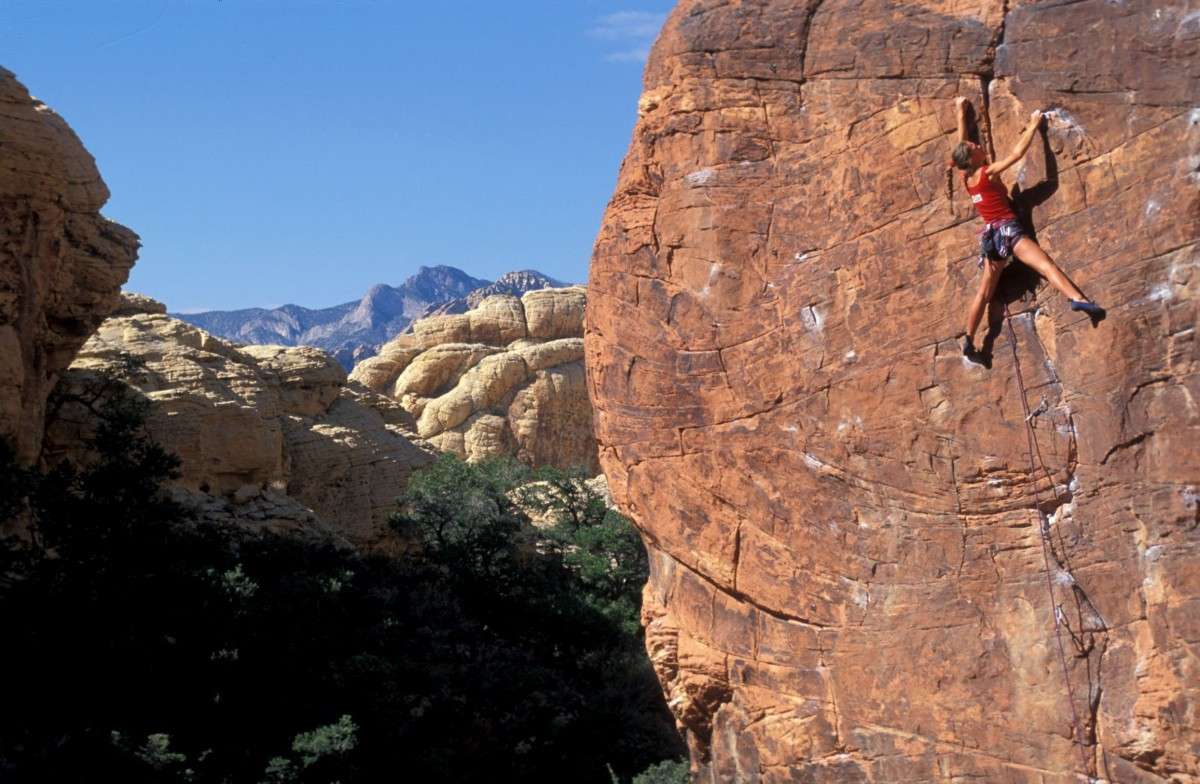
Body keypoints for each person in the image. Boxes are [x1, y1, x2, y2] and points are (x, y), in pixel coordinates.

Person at [950, 97, 1104, 364]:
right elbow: (1016, 155)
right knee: (1045, 265)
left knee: (984, 292)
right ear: (973, 158)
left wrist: (960, 113)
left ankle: (969, 339)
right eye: (975, 147)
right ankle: (1077, 299)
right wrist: (1035, 126)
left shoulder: (967, 178)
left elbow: (961, 147)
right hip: (1008, 232)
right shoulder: (988, 173)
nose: (978, 145)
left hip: (990, 238)